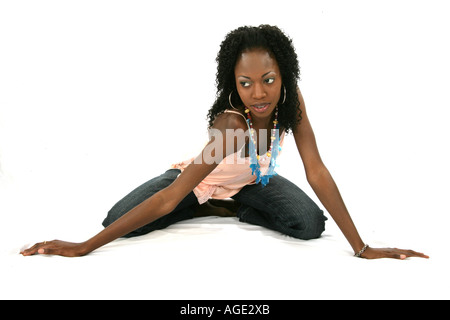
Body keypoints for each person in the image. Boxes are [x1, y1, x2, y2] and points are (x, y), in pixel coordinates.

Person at [21, 25, 428, 260]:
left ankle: (232, 207)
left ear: (284, 75)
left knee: (309, 225)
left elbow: (316, 170)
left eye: (268, 79)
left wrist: (361, 248)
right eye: (245, 83)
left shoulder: (293, 101)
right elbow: (171, 195)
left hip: (253, 182)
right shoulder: (233, 125)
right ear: (233, 84)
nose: (258, 92)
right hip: (197, 182)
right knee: (118, 222)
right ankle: (207, 205)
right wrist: (85, 246)